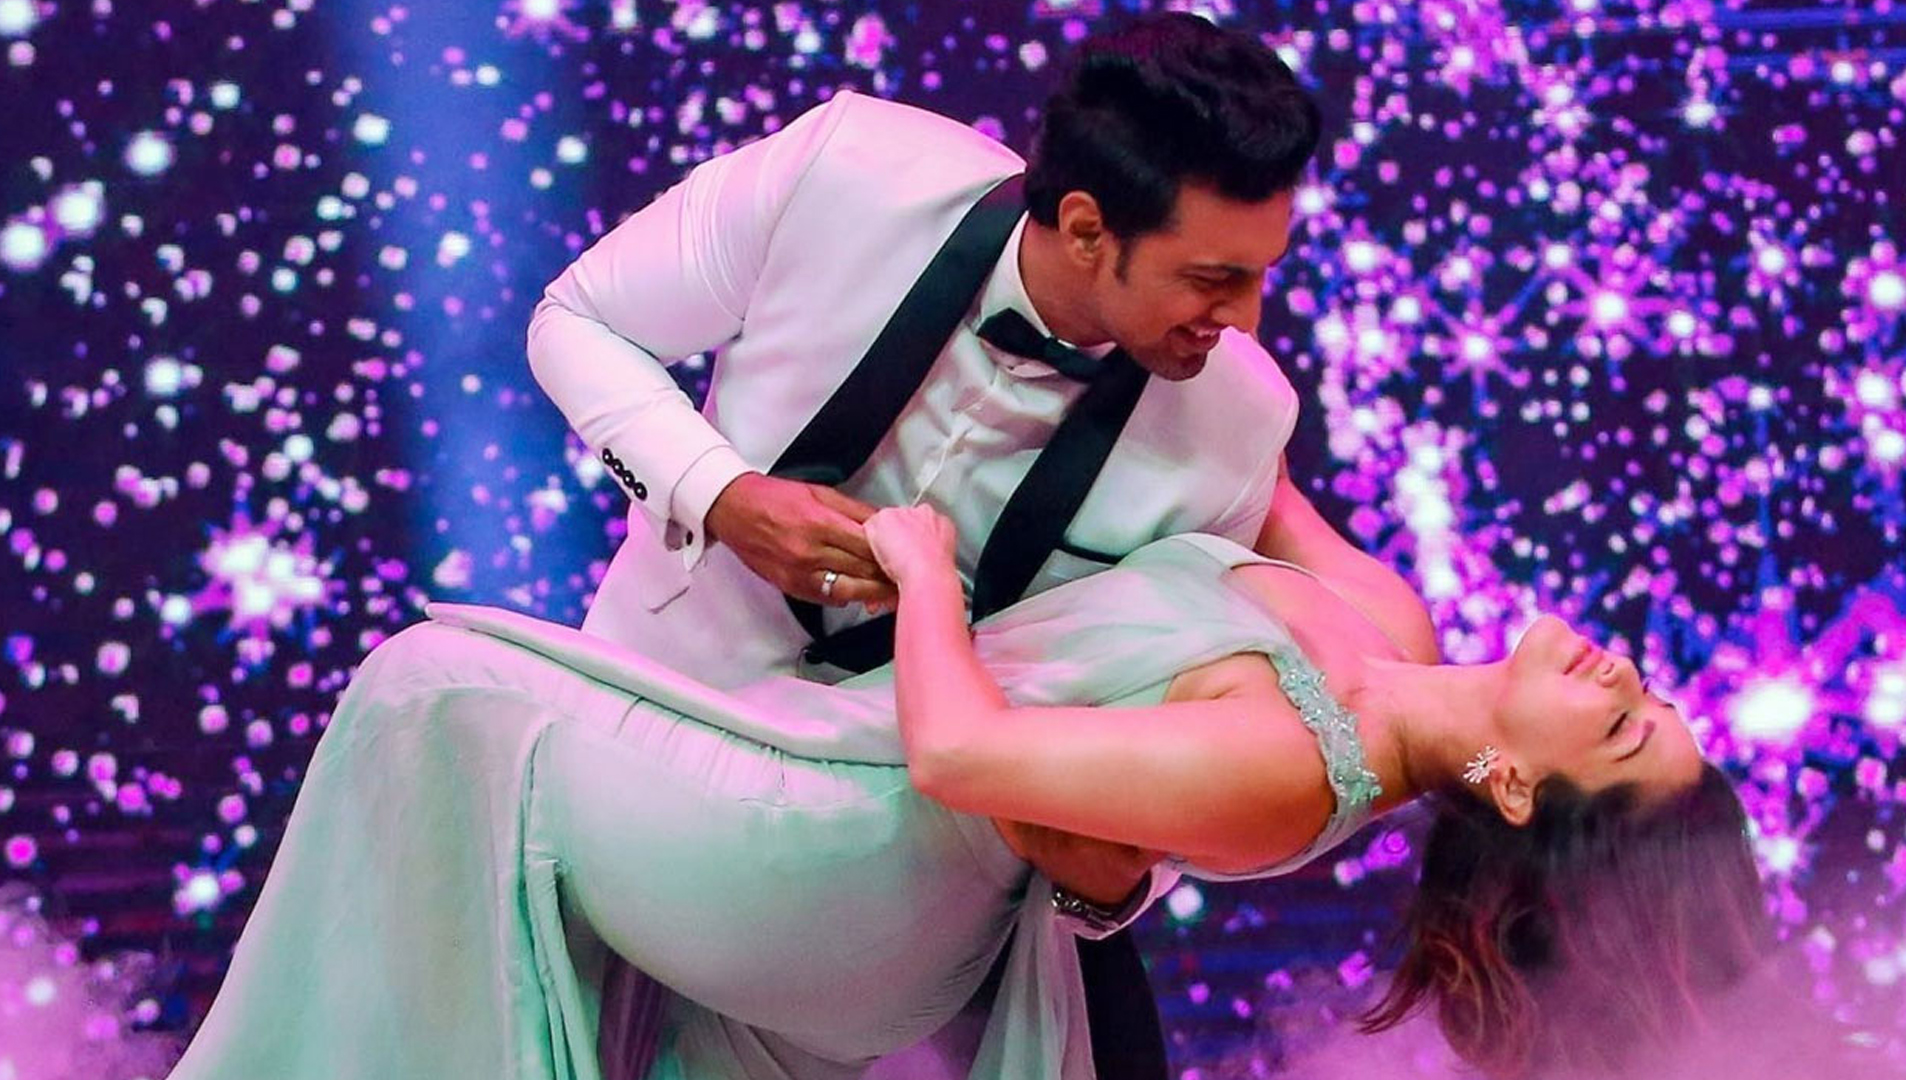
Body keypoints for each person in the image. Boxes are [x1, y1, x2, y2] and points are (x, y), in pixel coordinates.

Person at [526, 14, 1433, 1076]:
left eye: (1262, 273)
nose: (1246, 317)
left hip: (884, 923)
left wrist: (1109, 890)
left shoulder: (1236, 425)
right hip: (634, 752)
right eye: (1210, 278)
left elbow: (1157, 725)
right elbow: (576, 320)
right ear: (1087, 228)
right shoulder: (845, 171)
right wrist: (720, 496)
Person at [163, 504, 1767, 1080]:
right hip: (841, 790)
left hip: (845, 850)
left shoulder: (1295, 773)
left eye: (1626, 731)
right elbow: (1244, 438)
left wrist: (924, 569)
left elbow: (963, 759)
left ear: (1513, 789)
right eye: (1658, 699)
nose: (1629, 679)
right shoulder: (1389, 626)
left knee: (434, 687)